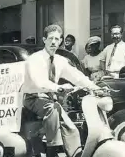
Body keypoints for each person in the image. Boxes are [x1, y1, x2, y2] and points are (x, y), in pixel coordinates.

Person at [22, 24, 100, 157]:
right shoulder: (34, 59)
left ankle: (75, 153)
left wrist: (95, 87)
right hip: (32, 97)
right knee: (52, 109)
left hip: (50, 99)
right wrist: (58, 88)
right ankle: (52, 150)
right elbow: (38, 82)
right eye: (50, 38)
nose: (53, 42)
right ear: (44, 40)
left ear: (60, 41)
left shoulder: (60, 61)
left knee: (71, 127)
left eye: (57, 39)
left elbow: (77, 77)